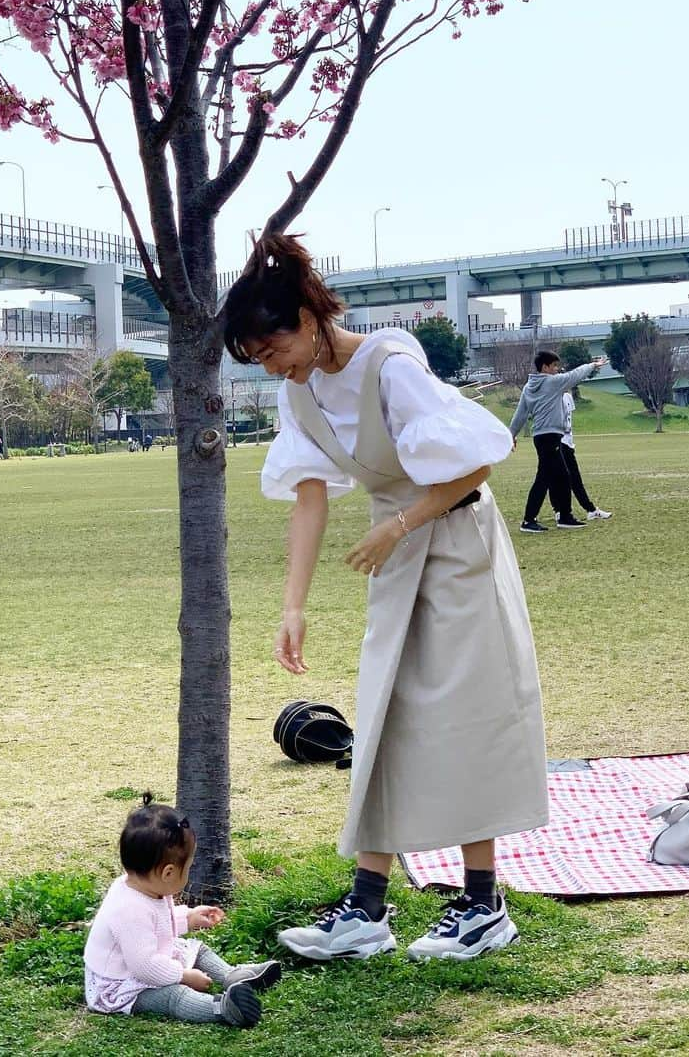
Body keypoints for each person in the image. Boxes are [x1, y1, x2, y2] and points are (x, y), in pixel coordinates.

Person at [224, 234, 547, 964]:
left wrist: (399, 523)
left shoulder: (391, 363)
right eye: (256, 358)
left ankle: (483, 902)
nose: (269, 366)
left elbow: (475, 468)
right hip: (395, 549)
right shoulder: (298, 394)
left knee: (467, 713)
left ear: (308, 320)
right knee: (380, 714)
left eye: (270, 348)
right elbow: (309, 501)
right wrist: (292, 606)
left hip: (458, 540)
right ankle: (367, 909)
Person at [83, 793, 280, 1027]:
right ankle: (223, 1008)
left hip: (144, 963)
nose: (187, 873)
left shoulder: (144, 886)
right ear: (167, 873)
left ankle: (230, 975)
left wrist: (189, 917)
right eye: (187, 868)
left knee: (196, 950)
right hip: (121, 984)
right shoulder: (128, 909)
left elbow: (157, 923)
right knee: (173, 995)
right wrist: (184, 976)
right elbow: (145, 967)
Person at [508, 350, 606, 533]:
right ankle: (529, 520)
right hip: (550, 437)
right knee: (544, 478)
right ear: (545, 367)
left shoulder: (529, 387)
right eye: (554, 366)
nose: (557, 369)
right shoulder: (552, 382)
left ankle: (564, 516)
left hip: (542, 437)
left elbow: (520, 414)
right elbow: (574, 375)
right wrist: (593, 365)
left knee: (562, 476)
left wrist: (511, 434)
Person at [550, 391, 612, 523]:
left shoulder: (567, 396)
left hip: (567, 442)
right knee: (570, 478)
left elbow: (569, 420)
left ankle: (561, 510)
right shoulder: (553, 396)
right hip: (560, 442)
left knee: (559, 477)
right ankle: (588, 509)